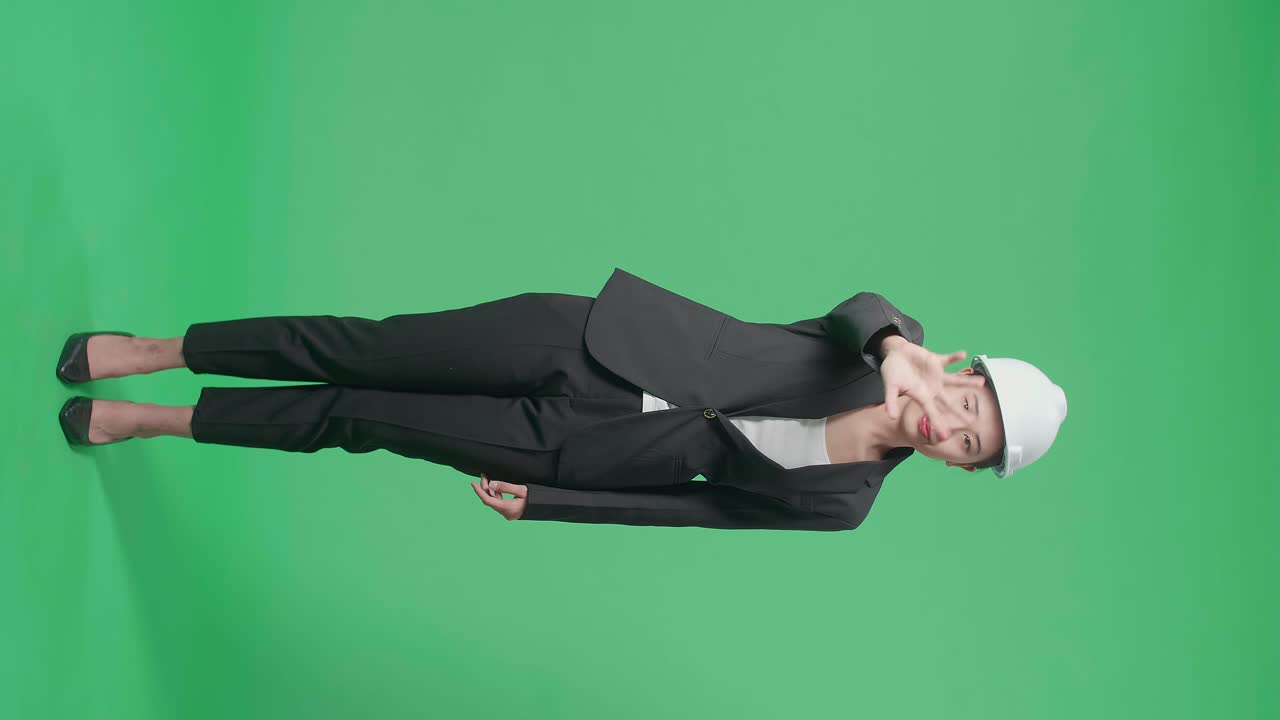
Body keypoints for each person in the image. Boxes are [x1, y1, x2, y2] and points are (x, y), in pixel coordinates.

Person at [56, 267, 1067, 531]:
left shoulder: (840, 503)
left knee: (358, 417)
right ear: (963, 376)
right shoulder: (885, 344)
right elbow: (861, 307)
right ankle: (154, 352)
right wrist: (896, 348)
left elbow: (700, 511)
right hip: (590, 340)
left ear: (961, 466)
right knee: (369, 348)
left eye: (969, 447)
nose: (951, 427)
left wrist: (550, 503)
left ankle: (155, 421)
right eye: (968, 408)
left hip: (577, 448)